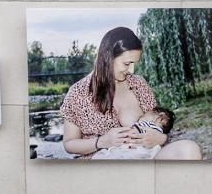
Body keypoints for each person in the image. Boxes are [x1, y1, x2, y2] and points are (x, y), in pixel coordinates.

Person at [59, 26, 202, 160]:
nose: (131, 71)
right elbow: (69, 144)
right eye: (127, 64)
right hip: (104, 165)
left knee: (189, 150)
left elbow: (158, 122)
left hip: (145, 156)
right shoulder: (77, 93)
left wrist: (161, 138)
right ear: (107, 58)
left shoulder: (138, 84)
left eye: (134, 63)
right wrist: (101, 141)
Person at [91, 107, 175, 160]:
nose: (141, 117)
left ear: (159, 118)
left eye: (144, 115)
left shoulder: (148, 125)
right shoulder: (158, 131)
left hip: (136, 150)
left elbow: (135, 132)